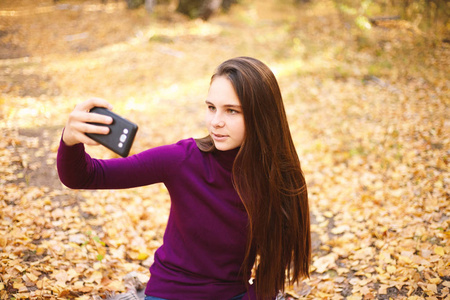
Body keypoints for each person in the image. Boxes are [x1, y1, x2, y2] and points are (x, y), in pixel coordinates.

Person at [57, 56, 311, 300]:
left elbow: (271, 271)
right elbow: (85, 176)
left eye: (231, 111)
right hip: (171, 293)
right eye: (211, 108)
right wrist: (70, 140)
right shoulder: (182, 159)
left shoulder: (280, 178)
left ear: (261, 115)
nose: (216, 122)